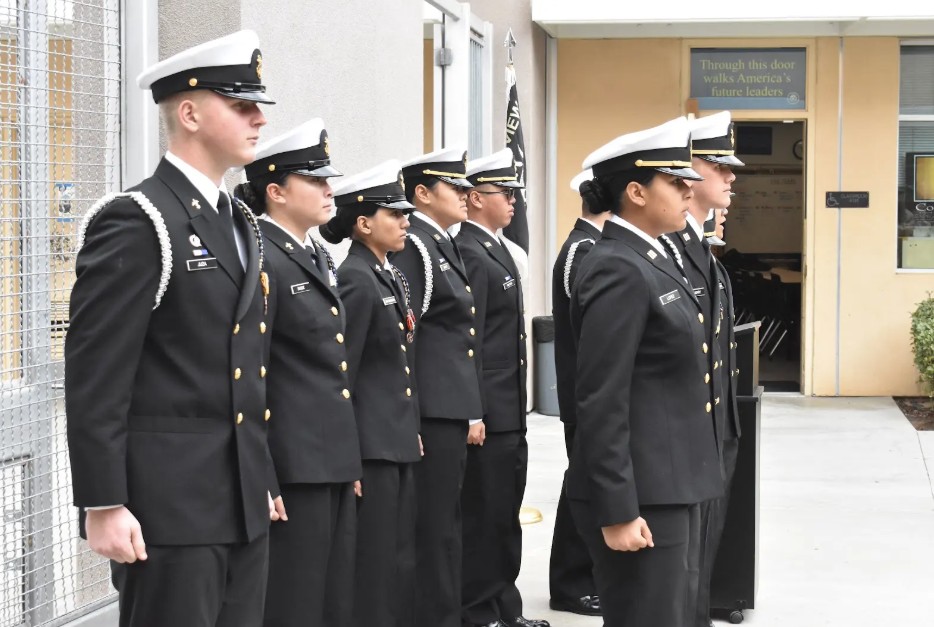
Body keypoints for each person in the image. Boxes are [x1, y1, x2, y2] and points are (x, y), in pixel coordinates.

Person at [65, 30, 280, 626]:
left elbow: (245, 366)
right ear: (188, 112)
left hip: (237, 501)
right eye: (240, 104)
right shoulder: (139, 220)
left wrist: (257, 476)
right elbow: (96, 375)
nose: (259, 117)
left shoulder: (239, 220)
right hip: (170, 508)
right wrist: (103, 502)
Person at [568, 116, 723, 627]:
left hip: (672, 486)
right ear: (635, 191)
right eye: (676, 182)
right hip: (643, 497)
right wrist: (617, 509)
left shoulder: (656, 258)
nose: (690, 189)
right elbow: (600, 399)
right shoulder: (616, 266)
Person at [235, 118, 362, 627]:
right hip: (292, 465)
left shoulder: (314, 255)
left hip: (328, 460)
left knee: (332, 599)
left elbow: (331, 369)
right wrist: (262, 475)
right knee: (295, 601)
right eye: (315, 180)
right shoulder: (263, 257)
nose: (330, 189)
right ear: (276, 191)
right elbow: (253, 372)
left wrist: (347, 462)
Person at [320, 160, 423, 627]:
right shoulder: (357, 279)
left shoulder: (384, 272)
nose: (405, 221)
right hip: (372, 449)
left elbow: (399, 366)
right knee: (375, 563)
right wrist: (352, 457)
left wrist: (410, 429)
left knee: (399, 556)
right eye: (393, 214)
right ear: (363, 224)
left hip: (395, 441)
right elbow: (346, 375)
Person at [456, 149, 549, 627]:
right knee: (485, 517)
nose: (514, 201)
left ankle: (504, 611)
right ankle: (479, 612)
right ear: (474, 198)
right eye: (504, 193)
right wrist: (474, 411)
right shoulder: (471, 252)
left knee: (505, 513)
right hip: (489, 415)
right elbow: (468, 340)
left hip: (510, 410)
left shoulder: (497, 249)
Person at [391, 147, 481, 627]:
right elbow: (405, 334)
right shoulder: (415, 246)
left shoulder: (438, 242)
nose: (468, 195)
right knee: (432, 529)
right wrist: (413, 415)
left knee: (446, 525)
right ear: (422, 194)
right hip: (429, 409)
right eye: (457, 187)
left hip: (448, 406)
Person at [665, 112, 744, 627]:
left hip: (713, 426)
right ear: (690, 171)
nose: (731, 177)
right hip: (685, 435)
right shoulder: (667, 250)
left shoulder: (698, 247)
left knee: (700, 561)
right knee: (680, 575)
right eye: (720, 166)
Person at [548, 168, 608, 618]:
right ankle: (571, 583)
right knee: (582, 488)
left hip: (586, 392)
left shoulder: (590, 247)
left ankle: (583, 577)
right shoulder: (582, 250)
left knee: (587, 484)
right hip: (582, 392)